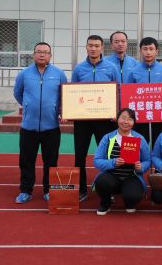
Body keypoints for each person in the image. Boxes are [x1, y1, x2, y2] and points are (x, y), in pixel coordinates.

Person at [13, 42, 67, 204]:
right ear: (33, 54)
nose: (42, 54)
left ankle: (48, 190)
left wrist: (59, 110)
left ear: (50, 55)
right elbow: (18, 93)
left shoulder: (59, 74)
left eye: (45, 52)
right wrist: (28, 106)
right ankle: (26, 191)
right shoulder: (24, 74)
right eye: (38, 51)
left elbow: (64, 95)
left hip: (51, 127)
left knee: (51, 161)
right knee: (26, 161)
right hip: (28, 127)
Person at [71, 35, 120, 202]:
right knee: (80, 156)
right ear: (86, 47)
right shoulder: (78, 69)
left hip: (105, 120)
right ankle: (81, 190)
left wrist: (116, 112)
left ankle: (109, 188)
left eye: (97, 46)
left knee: (108, 155)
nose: (93, 48)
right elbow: (72, 93)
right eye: (90, 45)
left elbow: (118, 91)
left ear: (102, 48)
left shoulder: (111, 68)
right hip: (82, 121)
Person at [92, 108, 151, 215]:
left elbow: (147, 160)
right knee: (102, 181)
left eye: (130, 119)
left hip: (131, 176)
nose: (126, 122)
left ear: (134, 122)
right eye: (123, 118)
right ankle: (105, 203)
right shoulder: (108, 138)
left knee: (132, 196)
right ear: (117, 119)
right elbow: (97, 160)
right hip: (111, 175)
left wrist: (141, 166)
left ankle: (129, 202)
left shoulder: (140, 139)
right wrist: (113, 162)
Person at [126, 37, 162, 145]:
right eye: (145, 49)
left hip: (160, 119)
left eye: (151, 49)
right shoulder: (133, 72)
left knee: (161, 147)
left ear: (157, 51)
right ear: (140, 51)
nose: (148, 52)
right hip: (139, 118)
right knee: (137, 147)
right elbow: (128, 96)